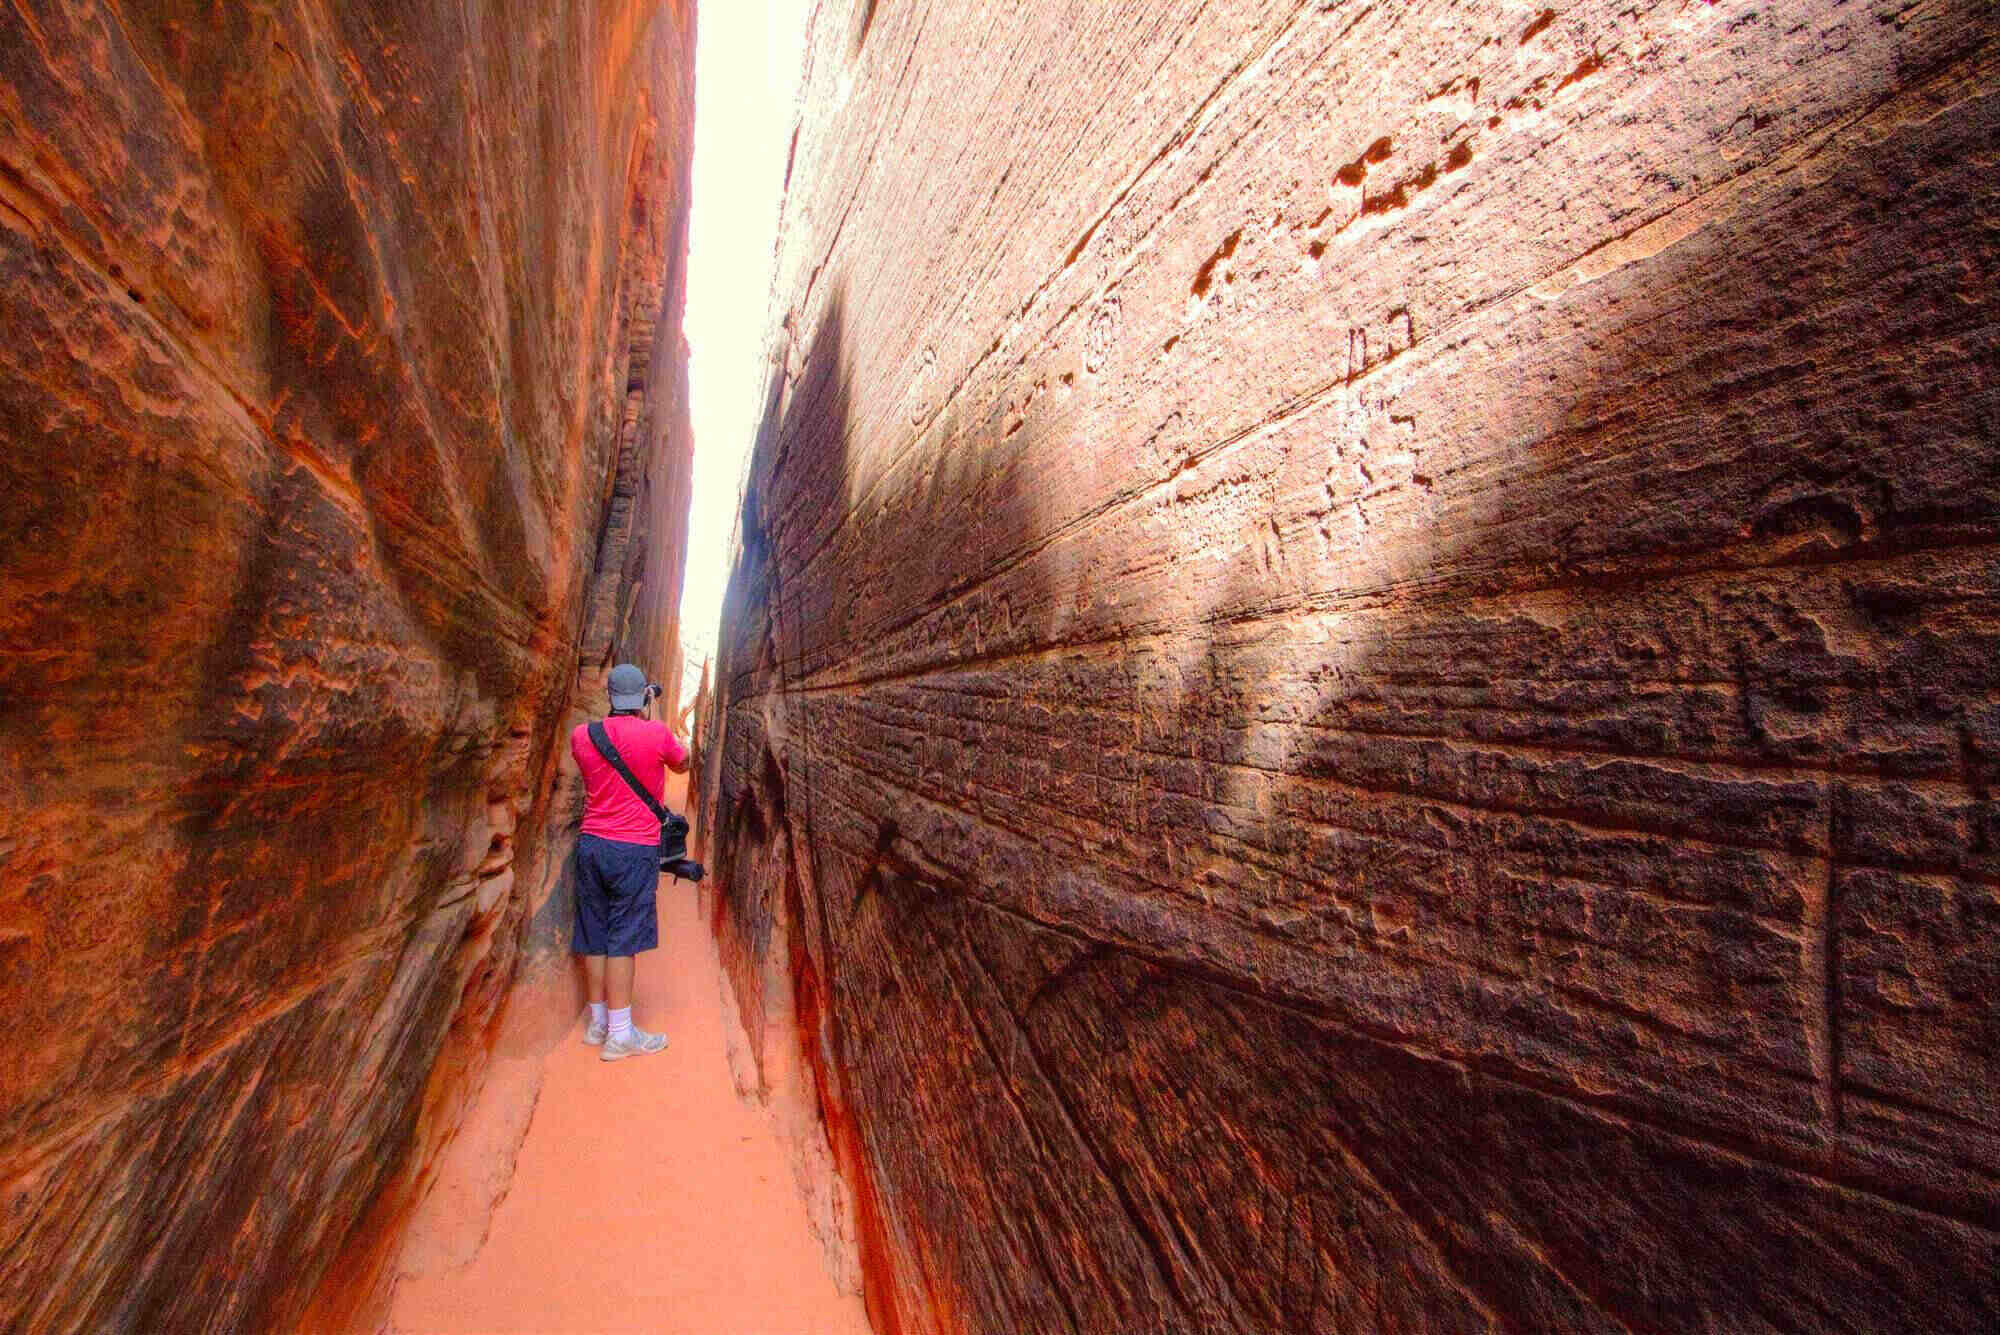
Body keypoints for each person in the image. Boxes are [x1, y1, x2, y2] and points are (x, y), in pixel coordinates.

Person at [569, 662, 689, 1061]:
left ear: (609, 697)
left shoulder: (582, 736)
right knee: (623, 938)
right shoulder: (656, 734)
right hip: (633, 849)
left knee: (594, 932)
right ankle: (621, 1035)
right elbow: (682, 761)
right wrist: (652, 715)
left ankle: (597, 1022)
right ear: (643, 698)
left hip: (591, 845)